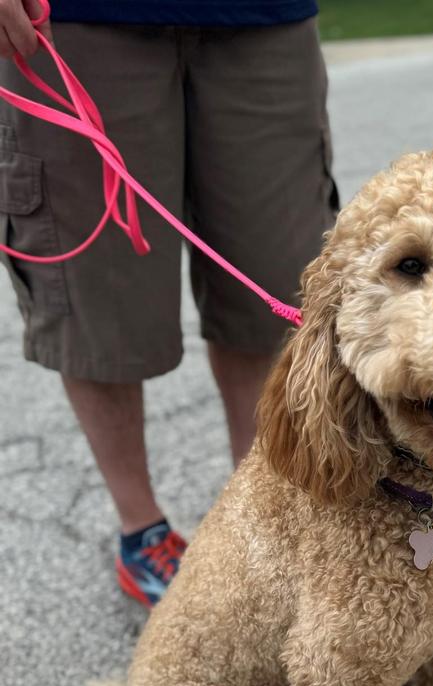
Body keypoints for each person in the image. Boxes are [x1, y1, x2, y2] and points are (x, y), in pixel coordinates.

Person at [0, 0, 338, 606]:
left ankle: (262, 519)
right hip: (70, 19)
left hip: (263, 20)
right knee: (98, 300)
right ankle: (142, 529)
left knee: (275, 287)